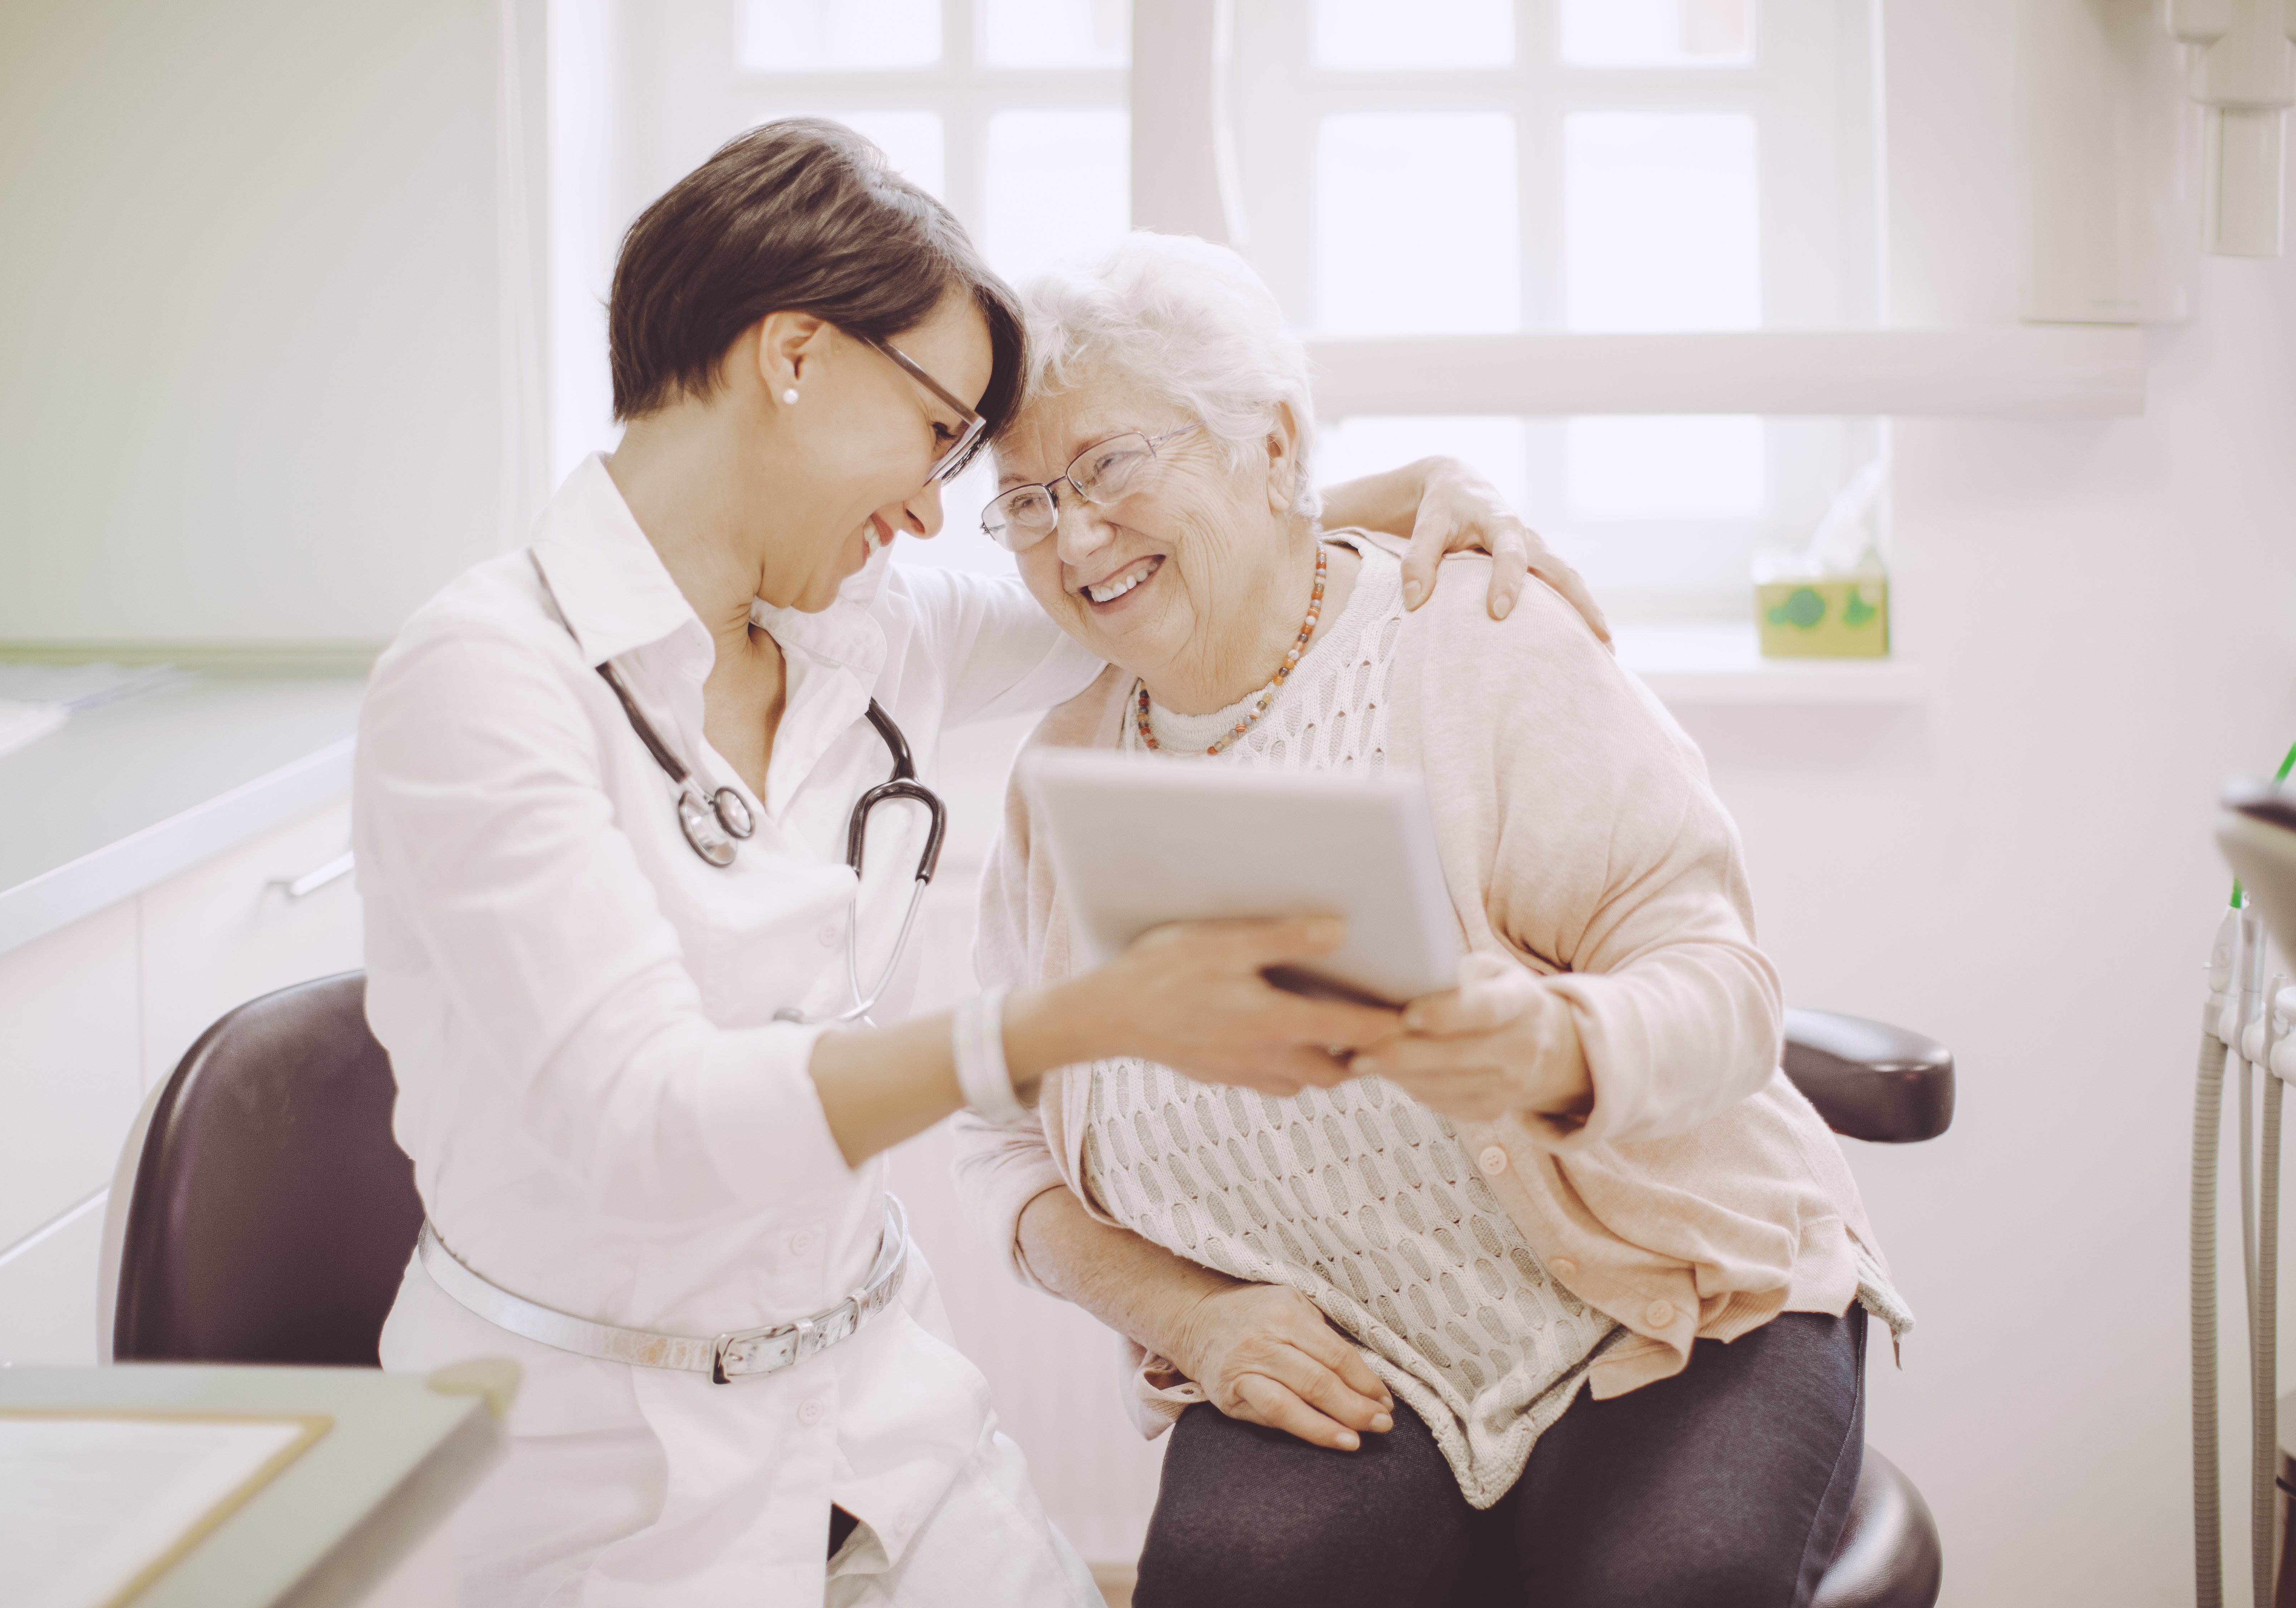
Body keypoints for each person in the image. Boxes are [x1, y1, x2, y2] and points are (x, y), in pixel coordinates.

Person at [352, 120, 1581, 1606]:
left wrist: (1404, 482)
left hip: (878, 1416)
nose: (937, 507)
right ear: (794, 355)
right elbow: (642, 1123)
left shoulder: (858, 635)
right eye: (936, 433)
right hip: (587, 1472)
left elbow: (1123, 566)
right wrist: (1081, 1020)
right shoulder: (484, 679)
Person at [951, 232, 1914, 1608]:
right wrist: (1190, 1317)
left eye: (1108, 465)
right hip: (1351, 1355)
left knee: (1668, 1586)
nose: (1074, 534)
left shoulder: (1476, 641)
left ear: (1271, 447)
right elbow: (999, 1134)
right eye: (1028, 502)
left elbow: (1723, 986)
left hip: (1662, 1307)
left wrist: (1558, 1049)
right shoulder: (1063, 776)